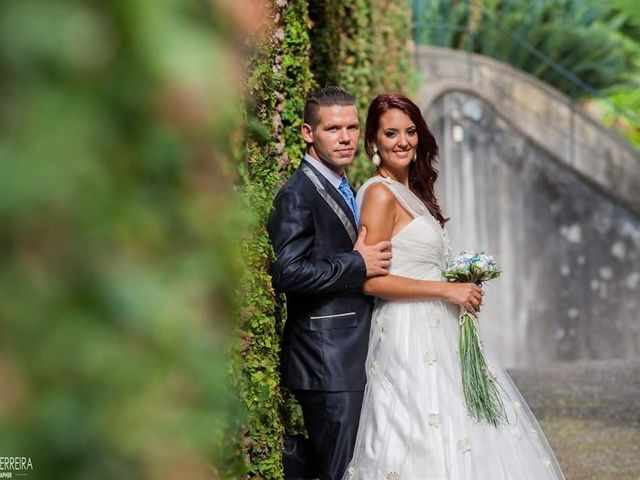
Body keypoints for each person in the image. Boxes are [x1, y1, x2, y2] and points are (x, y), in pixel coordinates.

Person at [343, 93, 565, 479]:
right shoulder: (379, 194)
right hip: (408, 335)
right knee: (419, 439)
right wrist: (446, 291)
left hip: (439, 329)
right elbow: (369, 280)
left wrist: (460, 282)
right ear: (373, 143)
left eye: (410, 131)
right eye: (391, 133)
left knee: (466, 432)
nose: (403, 141)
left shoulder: (411, 193)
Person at [268, 86, 392, 480]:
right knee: (341, 472)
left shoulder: (346, 186)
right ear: (308, 132)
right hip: (327, 361)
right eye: (333, 128)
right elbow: (288, 271)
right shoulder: (296, 195)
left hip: (352, 355)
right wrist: (356, 263)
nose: (345, 138)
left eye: (352, 127)